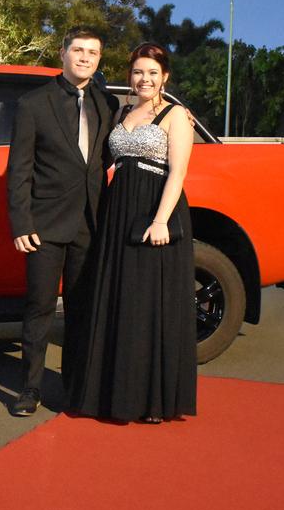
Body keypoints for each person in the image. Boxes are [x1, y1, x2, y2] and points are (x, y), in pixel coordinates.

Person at [70, 42, 197, 423]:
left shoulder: (177, 116)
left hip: (155, 209)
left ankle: (151, 400)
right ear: (131, 75)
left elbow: (178, 171)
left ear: (165, 78)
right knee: (121, 299)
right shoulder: (122, 111)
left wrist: (160, 221)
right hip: (119, 210)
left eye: (153, 73)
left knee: (149, 303)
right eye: (139, 72)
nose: (145, 79)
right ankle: (114, 392)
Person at [5, 28, 119, 416]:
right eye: (78, 50)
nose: (85, 58)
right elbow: (18, 170)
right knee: (39, 308)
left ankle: (75, 387)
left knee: (82, 310)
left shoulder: (108, 103)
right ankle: (30, 388)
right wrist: (21, 224)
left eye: (93, 52)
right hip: (44, 226)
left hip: (91, 223)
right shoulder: (34, 104)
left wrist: (177, 115)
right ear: (63, 53)